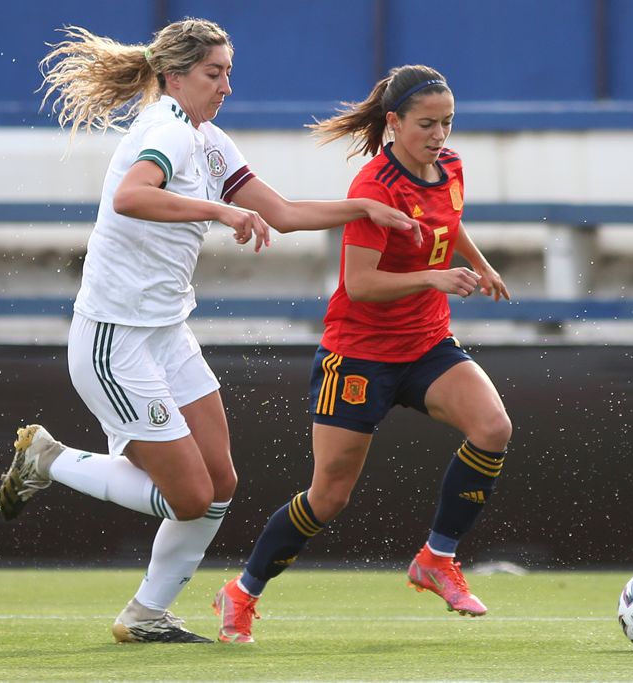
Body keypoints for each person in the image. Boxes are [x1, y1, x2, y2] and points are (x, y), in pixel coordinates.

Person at [0, 18, 420, 644]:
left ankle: (147, 615)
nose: (226, 86)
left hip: (167, 334)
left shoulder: (207, 139)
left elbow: (282, 213)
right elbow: (132, 196)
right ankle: (49, 459)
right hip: (115, 340)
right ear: (174, 77)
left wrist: (361, 207)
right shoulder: (165, 129)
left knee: (220, 484)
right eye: (213, 73)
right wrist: (220, 209)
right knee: (190, 497)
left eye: (228, 73)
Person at [213, 64, 512, 644]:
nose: (439, 135)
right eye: (427, 124)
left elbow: (448, 222)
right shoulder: (374, 187)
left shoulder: (450, 166)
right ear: (394, 122)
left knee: (493, 427)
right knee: (329, 496)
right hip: (358, 356)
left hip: (426, 344)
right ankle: (242, 591)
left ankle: (437, 558)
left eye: (448, 122)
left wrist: (479, 263)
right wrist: (433, 278)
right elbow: (361, 284)